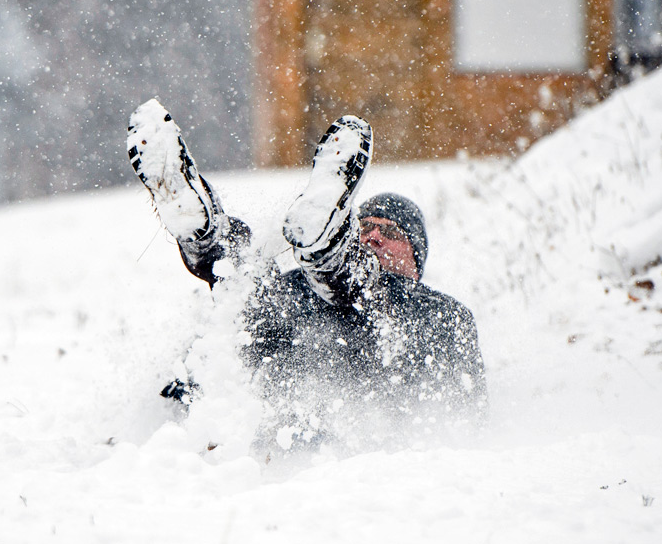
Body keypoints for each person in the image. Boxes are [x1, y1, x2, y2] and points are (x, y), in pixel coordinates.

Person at [127, 99, 487, 444]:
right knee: (245, 285)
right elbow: (237, 329)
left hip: (366, 419)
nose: (374, 237)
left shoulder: (441, 313)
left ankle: (329, 253)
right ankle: (206, 234)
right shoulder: (301, 289)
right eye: (364, 229)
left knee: (363, 290)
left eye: (390, 233)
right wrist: (183, 392)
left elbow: (469, 414)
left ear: (417, 258)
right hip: (288, 434)